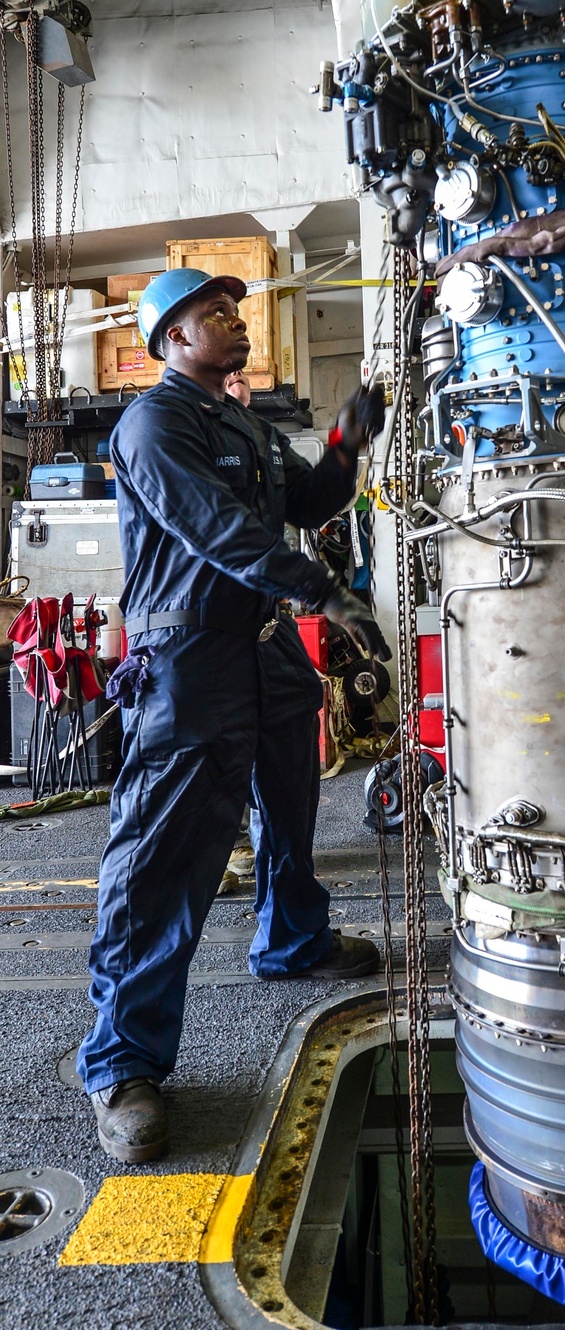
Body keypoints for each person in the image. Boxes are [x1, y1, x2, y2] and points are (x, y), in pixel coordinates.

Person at [78, 268, 391, 1163]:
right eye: (212, 313)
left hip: (263, 649)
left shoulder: (241, 421)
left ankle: (292, 940)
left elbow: (309, 504)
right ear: (170, 340)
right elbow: (213, 526)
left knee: (292, 809)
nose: (232, 319)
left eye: (231, 308)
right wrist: (323, 596)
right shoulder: (154, 422)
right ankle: (123, 1061)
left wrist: (347, 440)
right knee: (163, 861)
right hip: (191, 657)